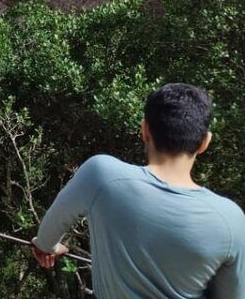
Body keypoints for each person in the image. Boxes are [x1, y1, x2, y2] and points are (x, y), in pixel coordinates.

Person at [31, 83, 245, 298]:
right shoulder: (231, 219)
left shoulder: (101, 175)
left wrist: (47, 246)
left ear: (144, 130)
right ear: (204, 143)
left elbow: (48, 234)